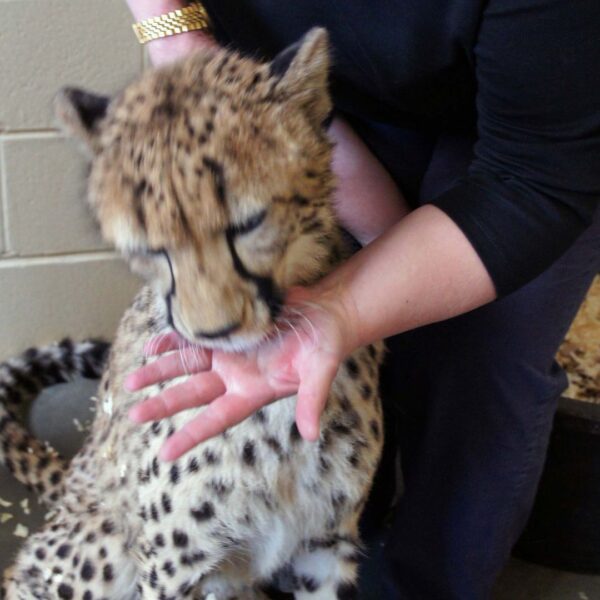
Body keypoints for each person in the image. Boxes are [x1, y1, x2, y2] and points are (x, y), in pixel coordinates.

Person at [122, 1, 600, 598]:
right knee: (333, 352)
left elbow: (535, 181)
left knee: (479, 364)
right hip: (308, 77)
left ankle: (421, 585)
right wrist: (176, 33)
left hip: (541, 124)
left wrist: (353, 301)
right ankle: (340, 537)